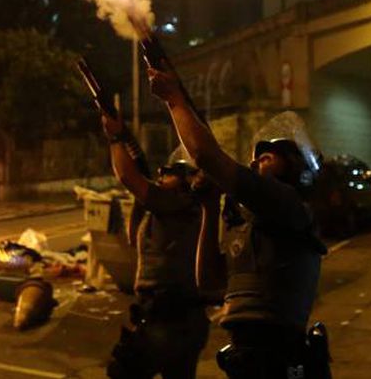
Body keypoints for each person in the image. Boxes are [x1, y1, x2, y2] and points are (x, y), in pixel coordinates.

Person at [147, 67, 326, 379]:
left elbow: (206, 155)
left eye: (269, 157)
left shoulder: (287, 202)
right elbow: (210, 283)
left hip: (277, 353)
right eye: (255, 157)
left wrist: (175, 99)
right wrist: (208, 208)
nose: (256, 161)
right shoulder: (249, 219)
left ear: (293, 167)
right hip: (247, 352)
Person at [101, 113, 214, 379]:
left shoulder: (175, 203)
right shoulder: (183, 207)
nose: (162, 173)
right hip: (186, 318)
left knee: (122, 373)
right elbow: (139, 181)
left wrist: (115, 137)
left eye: (170, 172)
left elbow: (128, 176)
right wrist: (127, 138)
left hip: (166, 318)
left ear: (186, 183)